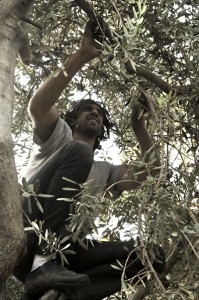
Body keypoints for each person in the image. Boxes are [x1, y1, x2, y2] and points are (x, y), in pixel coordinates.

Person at [14, 20, 165, 300]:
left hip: (68, 255)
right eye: (87, 109)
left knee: (151, 255)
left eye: (99, 112)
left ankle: (69, 291)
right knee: (79, 151)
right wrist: (83, 54)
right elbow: (37, 106)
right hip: (28, 233)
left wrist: (139, 127)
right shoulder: (57, 135)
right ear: (74, 118)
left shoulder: (104, 171)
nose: (94, 113)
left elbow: (152, 170)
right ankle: (41, 266)